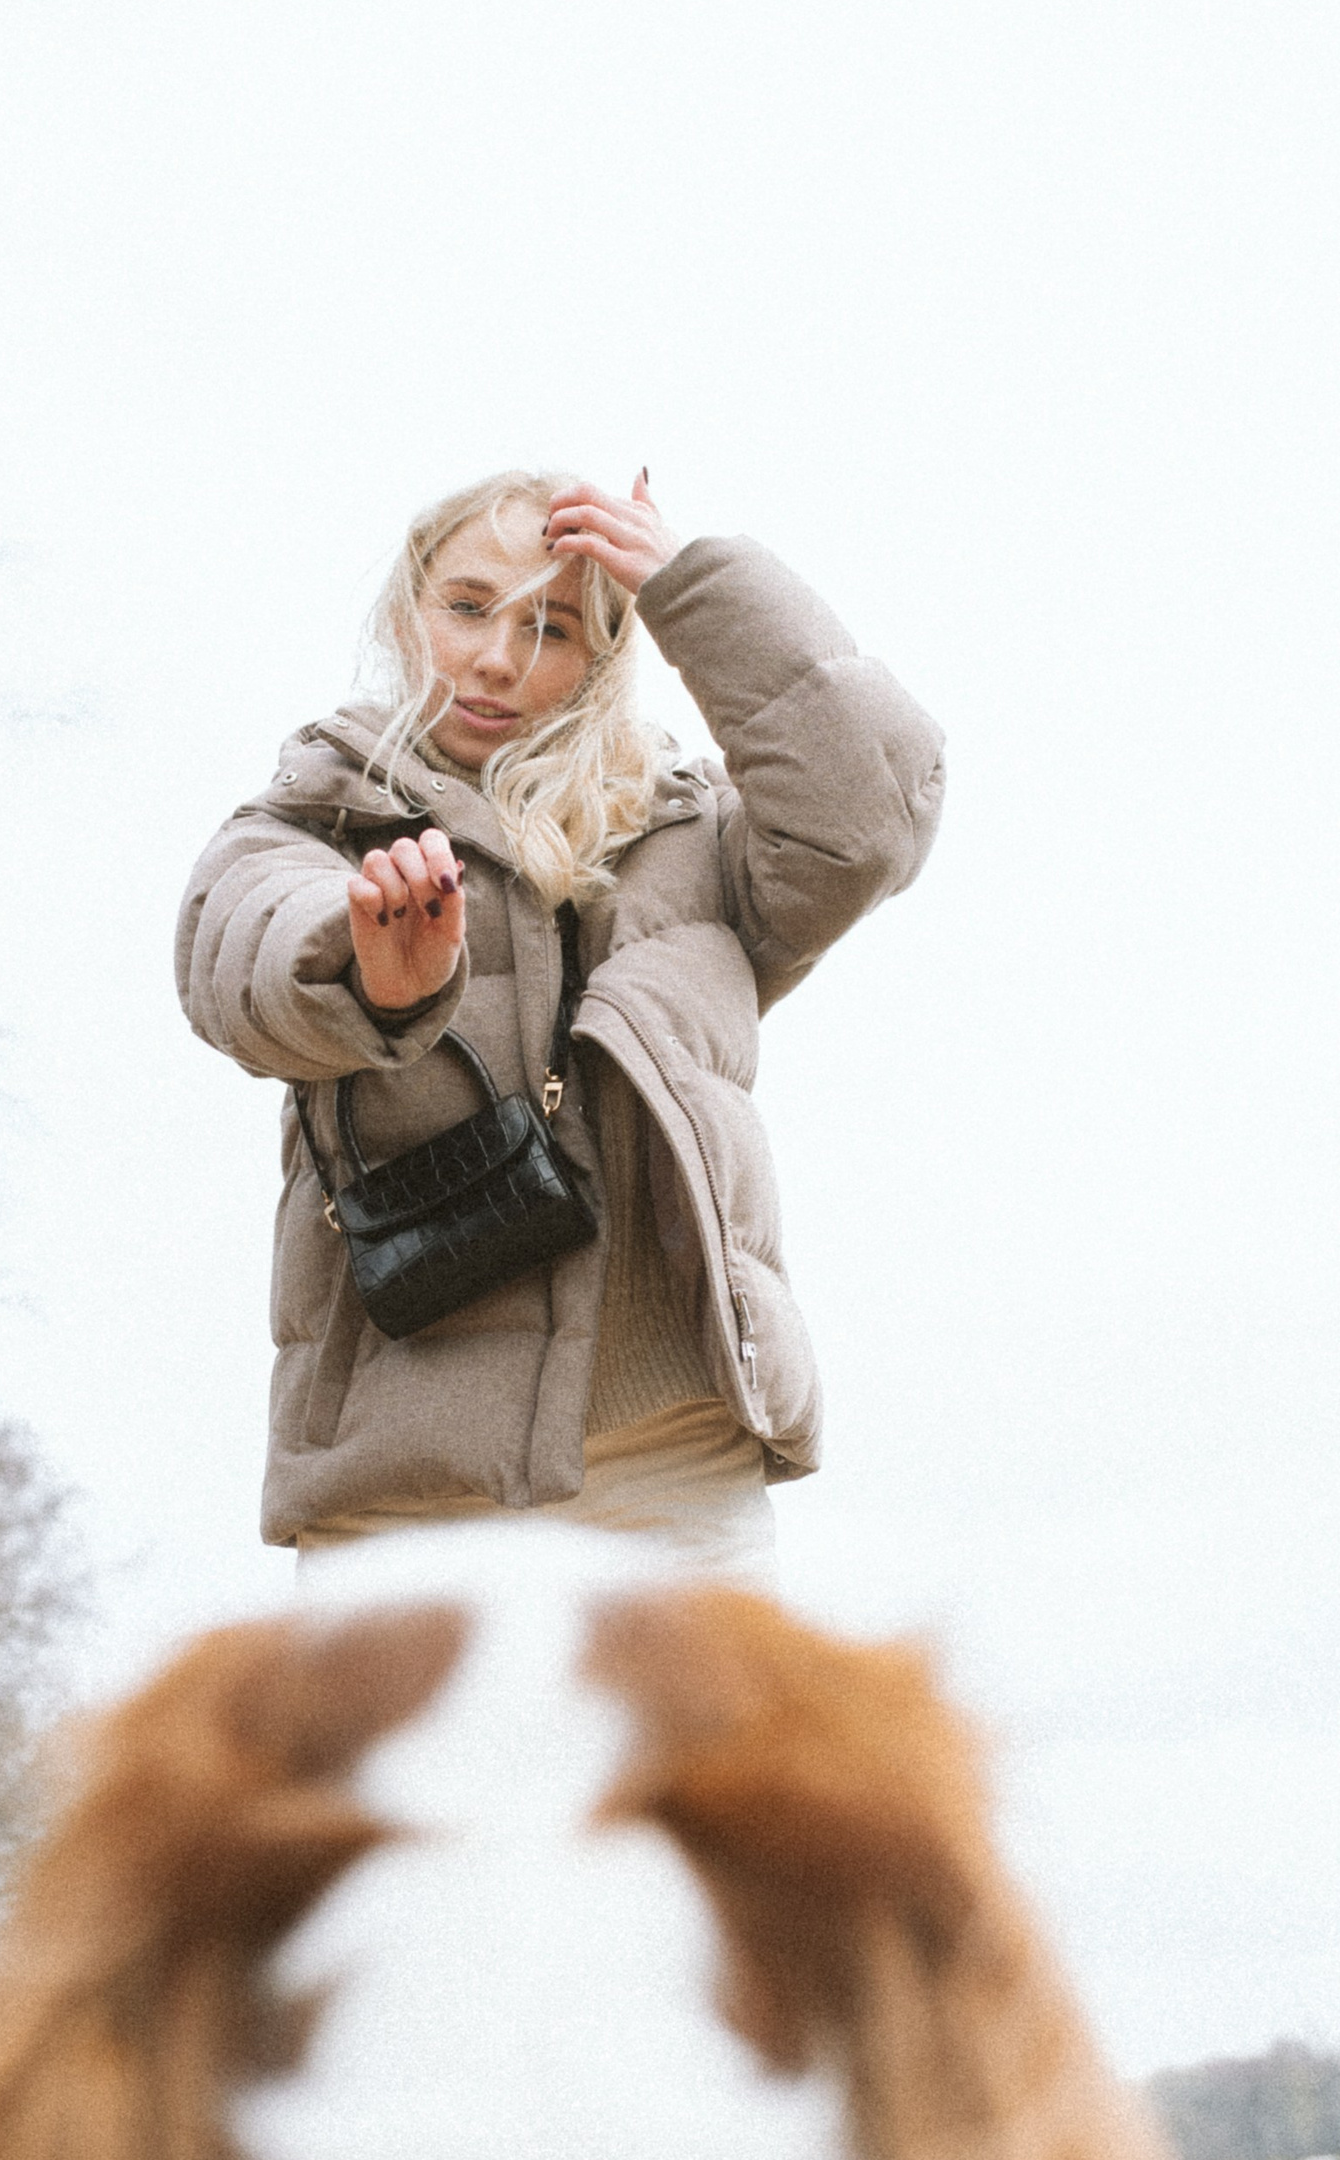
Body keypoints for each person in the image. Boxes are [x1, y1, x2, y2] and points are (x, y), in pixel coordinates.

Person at [175, 469, 945, 1574]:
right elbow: (234, 949)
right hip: (401, 1492)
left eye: (551, 625)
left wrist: (694, 587)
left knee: (723, 1761)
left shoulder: (698, 840)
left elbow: (870, 816)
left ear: (607, 654)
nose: (497, 657)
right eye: (467, 606)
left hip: (676, 1474)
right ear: (406, 615)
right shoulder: (315, 815)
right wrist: (370, 971)